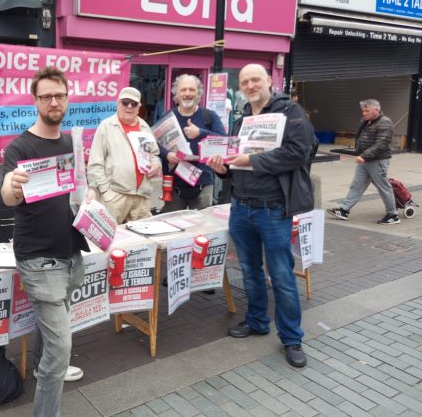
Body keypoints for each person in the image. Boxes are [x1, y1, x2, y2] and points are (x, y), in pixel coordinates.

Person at [207, 63, 316, 369]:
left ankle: (292, 338)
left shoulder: (290, 112)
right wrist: (223, 169)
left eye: (256, 79)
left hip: (273, 209)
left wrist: (252, 160)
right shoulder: (242, 120)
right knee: (250, 271)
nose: (250, 85)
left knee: (281, 274)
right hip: (241, 207)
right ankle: (256, 321)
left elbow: (299, 152)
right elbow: (234, 163)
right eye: (245, 81)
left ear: (269, 80)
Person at [1, 67, 89, 417]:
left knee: (53, 333)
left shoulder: (71, 143)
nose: (54, 101)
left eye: (60, 95)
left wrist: (89, 195)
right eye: (46, 96)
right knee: (61, 346)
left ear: (67, 98)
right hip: (39, 261)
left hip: (71, 255)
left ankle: (44, 365)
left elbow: (80, 188)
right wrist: (14, 185)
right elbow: (8, 194)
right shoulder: (20, 147)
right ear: (35, 101)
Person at [87, 87, 161, 223]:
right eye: (125, 102)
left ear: (139, 107)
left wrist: (156, 164)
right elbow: (95, 164)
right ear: (118, 104)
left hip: (141, 198)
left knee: (140, 241)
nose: (129, 107)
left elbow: (154, 155)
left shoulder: (145, 127)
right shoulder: (106, 126)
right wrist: (106, 193)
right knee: (111, 240)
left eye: (133, 103)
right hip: (115, 198)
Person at [159, 74, 225, 212]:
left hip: (203, 185)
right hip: (174, 186)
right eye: (183, 90)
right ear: (176, 94)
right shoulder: (168, 116)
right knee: (173, 227)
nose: (187, 93)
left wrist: (200, 132)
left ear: (198, 94)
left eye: (191, 90)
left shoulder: (209, 116)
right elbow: (156, 143)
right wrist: (167, 155)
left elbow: (224, 142)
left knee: (202, 228)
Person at [327, 99, 398, 224]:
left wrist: (364, 155)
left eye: (367, 111)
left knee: (383, 188)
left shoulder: (385, 122)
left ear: (376, 109)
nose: (364, 113)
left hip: (378, 161)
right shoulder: (365, 121)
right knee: (357, 185)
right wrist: (359, 153)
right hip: (364, 159)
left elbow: (382, 144)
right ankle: (344, 210)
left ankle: (393, 215)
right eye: (363, 111)